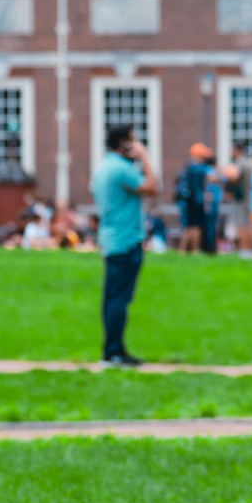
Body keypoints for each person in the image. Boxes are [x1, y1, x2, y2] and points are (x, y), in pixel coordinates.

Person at [92, 122, 159, 366]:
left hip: (111, 239)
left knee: (113, 298)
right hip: (126, 239)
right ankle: (114, 352)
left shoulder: (103, 167)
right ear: (124, 143)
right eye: (133, 140)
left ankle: (112, 350)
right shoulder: (121, 169)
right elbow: (153, 187)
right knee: (119, 300)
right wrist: (145, 156)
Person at [176, 143, 215, 255]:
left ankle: (183, 250)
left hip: (187, 201)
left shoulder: (187, 167)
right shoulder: (199, 168)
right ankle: (194, 250)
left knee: (188, 226)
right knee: (196, 226)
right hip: (196, 201)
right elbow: (215, 177)